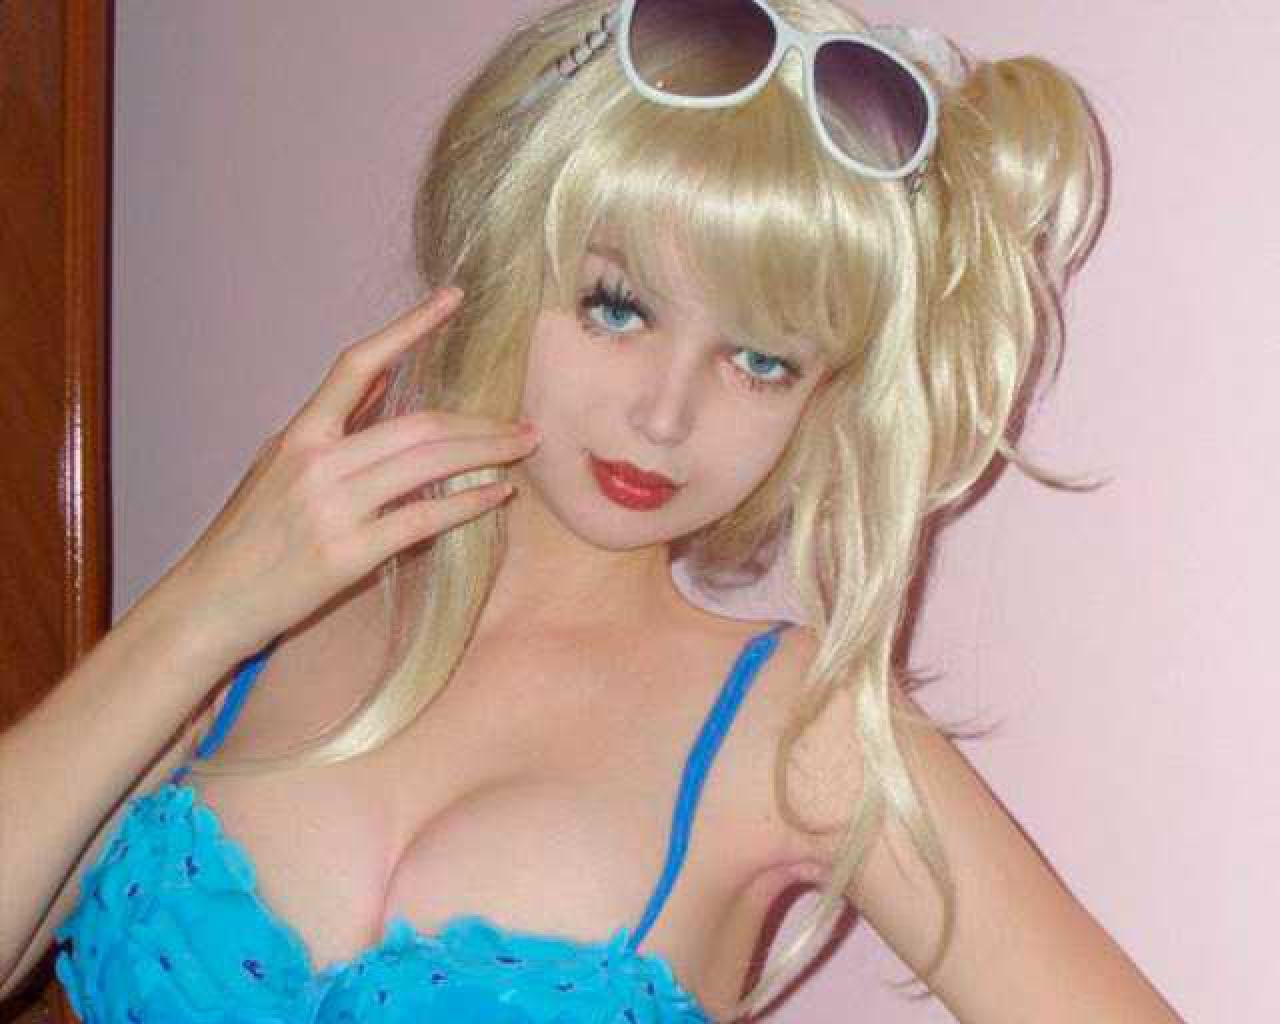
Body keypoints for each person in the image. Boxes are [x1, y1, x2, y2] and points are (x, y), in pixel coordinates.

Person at [0, 0, 1184, 1021]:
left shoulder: (799, 729)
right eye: (617, 306)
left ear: (821, 399)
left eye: (760, 360)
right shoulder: (274, 609)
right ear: (501, 253)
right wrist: (203, 606)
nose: (664, 415)